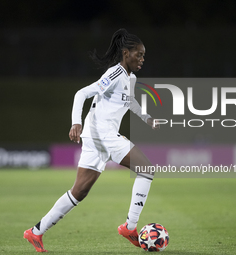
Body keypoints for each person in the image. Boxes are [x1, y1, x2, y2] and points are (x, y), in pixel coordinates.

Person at [24, 28, 158, 252]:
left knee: (79, 191)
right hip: (101, 133)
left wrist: (147, 118)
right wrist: (75, 122)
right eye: (139, 54)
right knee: (146, 168)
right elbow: (81, 93)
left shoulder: (131, 78)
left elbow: (130, 101)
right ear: (126, 53)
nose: (142, 59)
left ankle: (35, 232)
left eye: (144, 55)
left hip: (97, 136)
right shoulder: (114, 74)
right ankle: (130, 227)